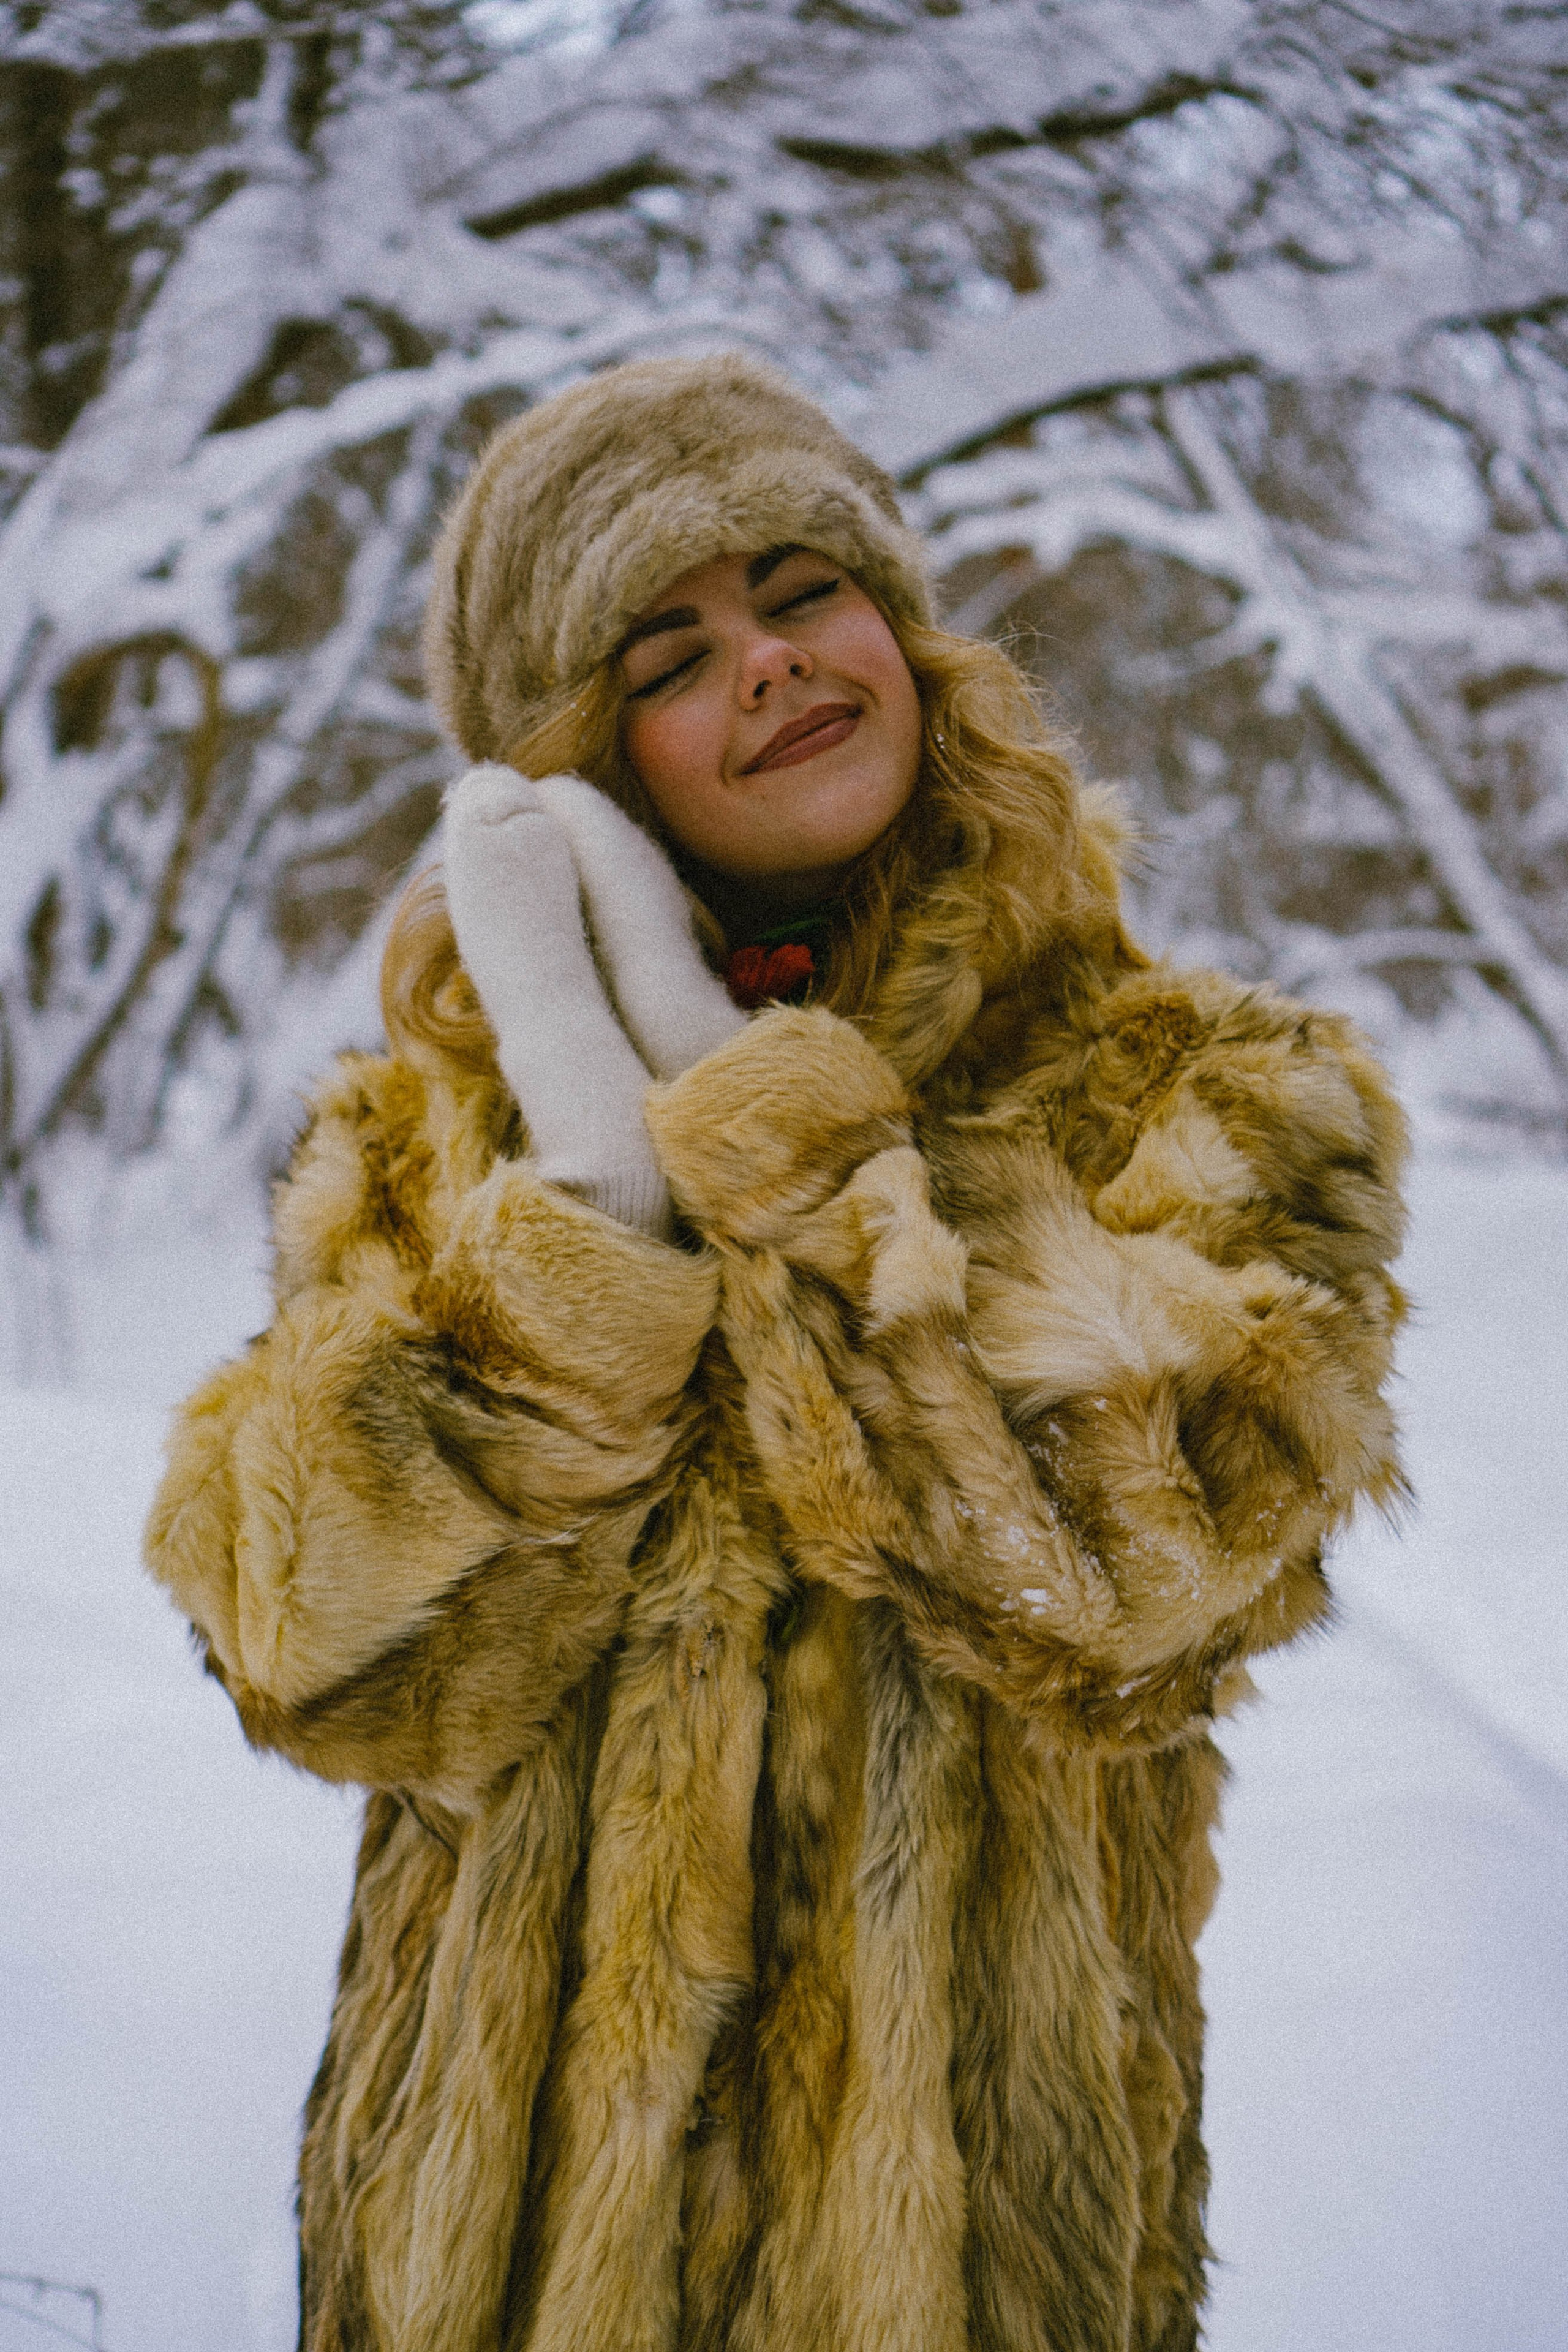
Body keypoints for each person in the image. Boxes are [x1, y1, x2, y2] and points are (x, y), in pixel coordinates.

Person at [144, 353, 1407, 2352]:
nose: (769, 662)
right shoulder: (423, 1149)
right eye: (670, 654)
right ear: (588, 760)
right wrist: (583, 1215)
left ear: (901, 630)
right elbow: (318, 1660)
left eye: (805, 590)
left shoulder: (1208, 1088)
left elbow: (1127, 1582)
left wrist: (754, 1122)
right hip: (492, 2272)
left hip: (966, 2265)